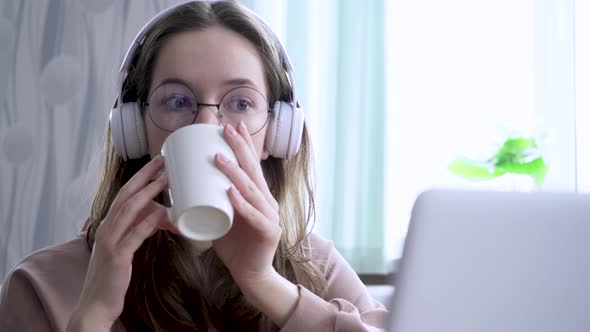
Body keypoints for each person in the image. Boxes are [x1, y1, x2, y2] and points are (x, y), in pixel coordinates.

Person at [0, 1, 388, 331]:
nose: (206, 126)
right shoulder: (40, 284)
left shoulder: (316, 266)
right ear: (134, 130)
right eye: (177, 101)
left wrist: (264, 282)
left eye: (240, 103)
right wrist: (94, 311)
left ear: (276, 132)